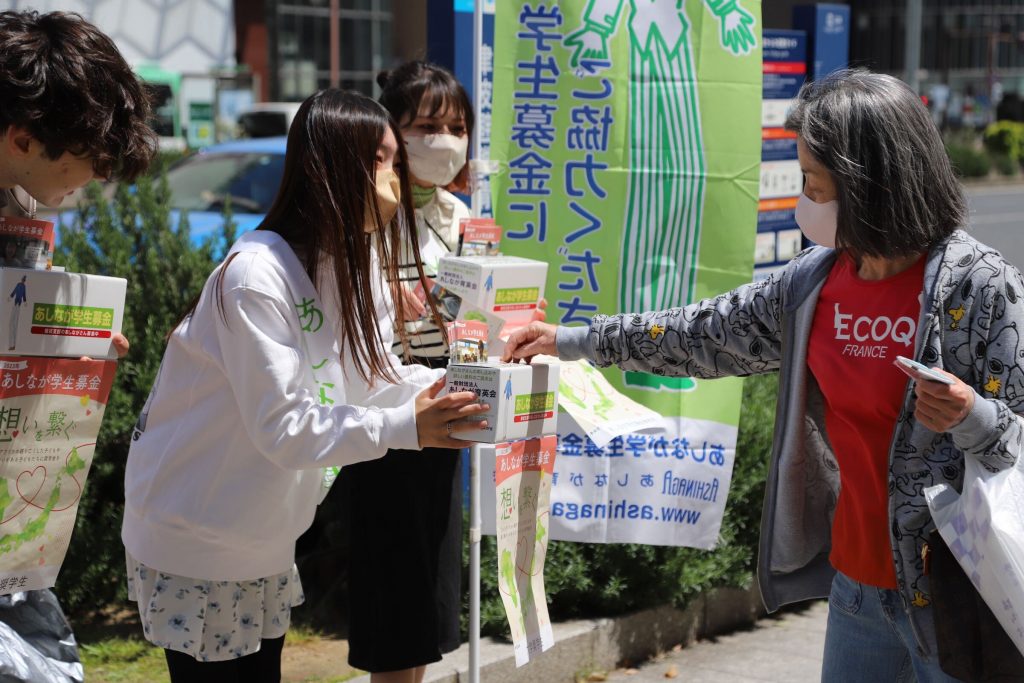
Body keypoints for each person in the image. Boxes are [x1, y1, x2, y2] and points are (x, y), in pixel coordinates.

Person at [502, 69, 1024, 682]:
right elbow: (699, 333)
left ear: (868, 183)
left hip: (958, 593)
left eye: (811, 181)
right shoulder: (813, 282)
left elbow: (1014, 442)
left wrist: (972, 417)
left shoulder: (983, 288)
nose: (804, 198)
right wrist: (569, 341)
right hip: (857, 589)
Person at [121, 89, 489, 683]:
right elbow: (285, 428)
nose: (395, 176)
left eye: (395, 161)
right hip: (199, 534)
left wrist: (458, 388)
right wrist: (407, 425)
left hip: (261, 531)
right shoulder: (256, 276)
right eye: (382, 160)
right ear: (332, 164)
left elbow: (374, 376)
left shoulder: (352, 261)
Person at [0, 10, 151, 682]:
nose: (95, 176)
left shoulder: (21, 207)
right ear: (23, 137)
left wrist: (71, 363)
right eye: (88, 158)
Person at [326, 61, 473, 683]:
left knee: (431, 561)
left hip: (446, 392)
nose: (444, 140)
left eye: (457, 126)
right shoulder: (360, 215)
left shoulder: (462, 217)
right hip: (381, 399)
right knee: (390, 564)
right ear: (391, 132)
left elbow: (476, 309)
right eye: (427, 125)